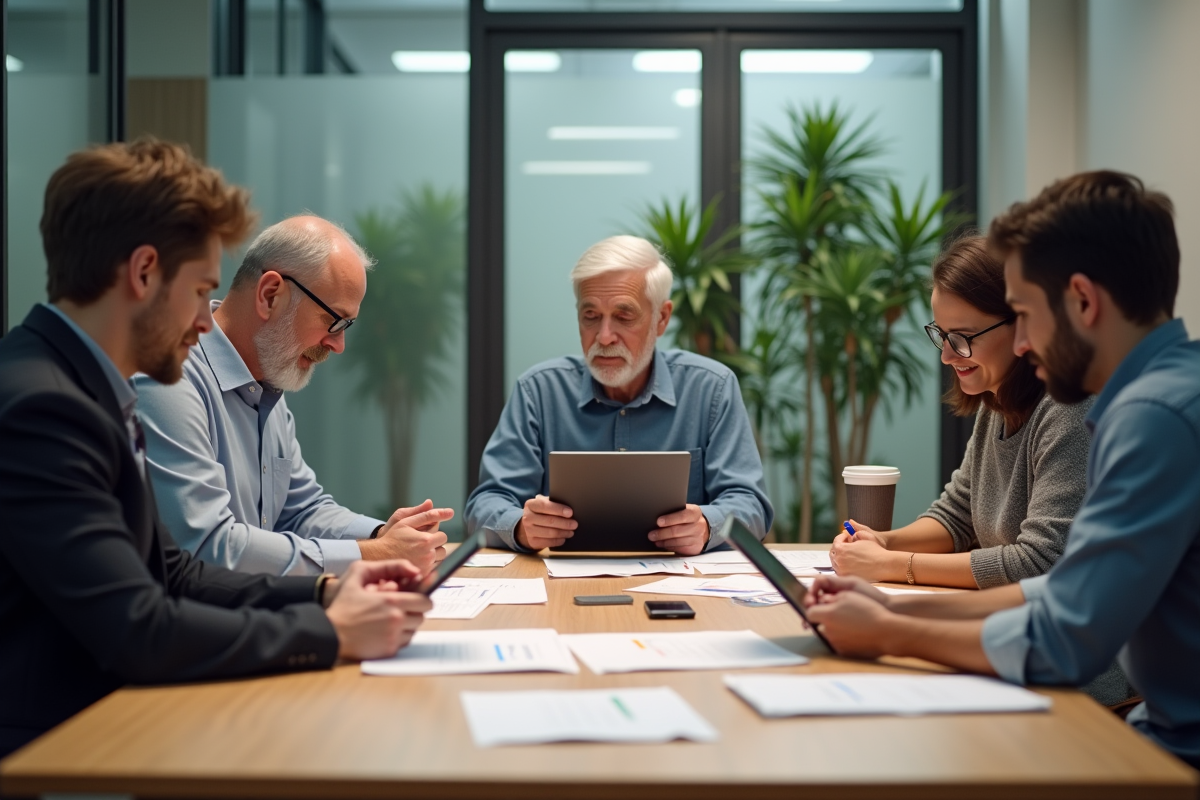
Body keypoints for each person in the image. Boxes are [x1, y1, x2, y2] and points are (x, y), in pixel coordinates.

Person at [0, 139, 431, 759]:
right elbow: (138, 626)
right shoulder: (46, 407)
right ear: (145, 273)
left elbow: (172, 570)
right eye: (202, 290)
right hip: (58, 748)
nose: (208, 323)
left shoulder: (82, 383)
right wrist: (327, 632)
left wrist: (322, 592)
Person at [804, 171, 1200, 769]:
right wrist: (893, 608)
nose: (1019, 345)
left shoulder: (1153, 417)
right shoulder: (1166, 392)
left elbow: (1066, 638)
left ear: (1083, 302)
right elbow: (1064, 592)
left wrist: (889, 631)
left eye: (1024, 314)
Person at [135, 216, 453, 577]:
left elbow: (300, 510)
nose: (338, 344)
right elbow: (207, 547)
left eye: (347, 327)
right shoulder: (170, 378)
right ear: (270, 295)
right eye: (334, 321)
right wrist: (374, 554)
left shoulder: (267, 386)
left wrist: (382, 534)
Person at [464, 234, 772, 555]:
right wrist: (520, 527)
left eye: (624, 316)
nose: (605, 336)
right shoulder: (539, 391)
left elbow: (751, 505)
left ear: (661, 319)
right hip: (559, 591)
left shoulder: (711, 387)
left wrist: (707, 525)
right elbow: (485, 503)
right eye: (591, 316)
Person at [830, 237, 1092, 591]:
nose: (947, 356)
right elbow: (957, 514)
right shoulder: (997, 402)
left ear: (1023, 325)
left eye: (964, 337)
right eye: (943, 335)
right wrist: (882, 542)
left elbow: (1041, 563)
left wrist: (893, 564)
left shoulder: (1070, 408)